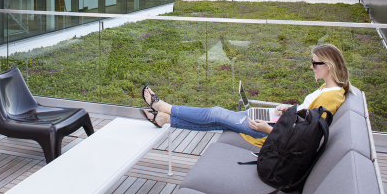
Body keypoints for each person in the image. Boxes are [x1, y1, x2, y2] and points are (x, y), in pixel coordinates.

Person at [141, 44, 350, 148]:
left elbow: (305, 137)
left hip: (271, 133)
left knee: (216, 113)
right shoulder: (328, 89)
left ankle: (163, 107)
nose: (311, 67)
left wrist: (267, 129)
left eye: (315, 63)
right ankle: (165, 118)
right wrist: (289, 109)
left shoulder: (331, 97)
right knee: (218, 119)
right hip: (278, 123)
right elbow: (306, 117)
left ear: (329, 66)